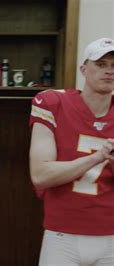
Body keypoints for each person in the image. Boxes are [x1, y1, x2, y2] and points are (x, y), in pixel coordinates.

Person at [29, 37, 114, 265]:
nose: (109, 71)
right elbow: (40, 175)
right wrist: (97, 157)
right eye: (101, 64)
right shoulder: (53, 102)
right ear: (84, 69)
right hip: (63, 235)